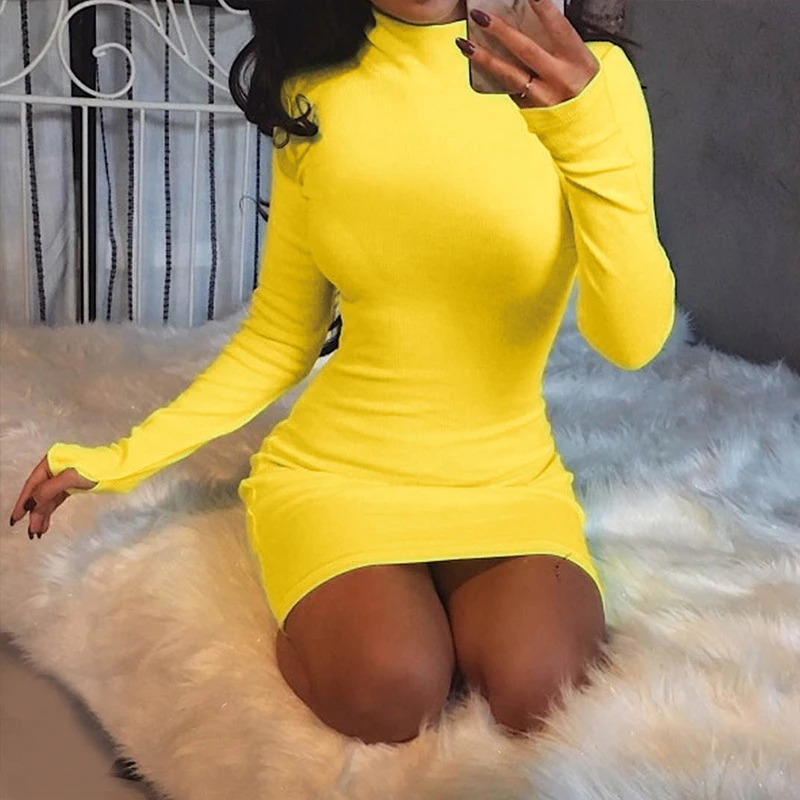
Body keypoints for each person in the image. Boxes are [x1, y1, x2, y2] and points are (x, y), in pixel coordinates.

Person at [10, 0, 675, 747]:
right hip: (343, 475)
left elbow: (632, 341)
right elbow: (277, 339)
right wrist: (120, 459)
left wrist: (581, 131)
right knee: (390, 692)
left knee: (542, 694)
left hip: (507, 477)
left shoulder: (587, 80)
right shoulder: (315, 91)